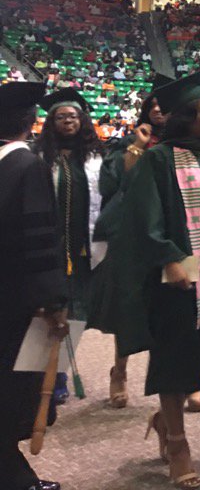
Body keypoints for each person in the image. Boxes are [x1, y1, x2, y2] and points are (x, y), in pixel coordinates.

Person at [109, 72, 200, 489]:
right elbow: (143, 214)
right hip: (179, 268)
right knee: (173, 354)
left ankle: (164, 420)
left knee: (195, 350)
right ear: (187, 116)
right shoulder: (159, 158)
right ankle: (177, 443)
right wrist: (168, 257)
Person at [0, 82, 67, 490]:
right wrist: (53, 299)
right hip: (16, 300)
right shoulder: (27, 167)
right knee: (13, 386)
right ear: (31, 121)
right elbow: (40, 241)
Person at [94, 76, 170, 409]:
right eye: (153, 105)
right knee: (129, 305)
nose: (158, 110)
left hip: (171, 231)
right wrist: (138, 146)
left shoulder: (183, 145)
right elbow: (115, 185)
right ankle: (120, 372)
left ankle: (175, 379)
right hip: (134, 234)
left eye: (163, 106)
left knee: (171, 309)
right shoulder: (129, 142)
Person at [35, 88, 104, 405]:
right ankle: (45, 374)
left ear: (82, 121)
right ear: (51, 123)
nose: (67, 121)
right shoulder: (39, 157)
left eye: (73, 116)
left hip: (81, 248)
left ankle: (58, 371)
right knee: (46, 310)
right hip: (48, 246)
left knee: (75, 311)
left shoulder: (94, 158)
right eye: (61, 117)